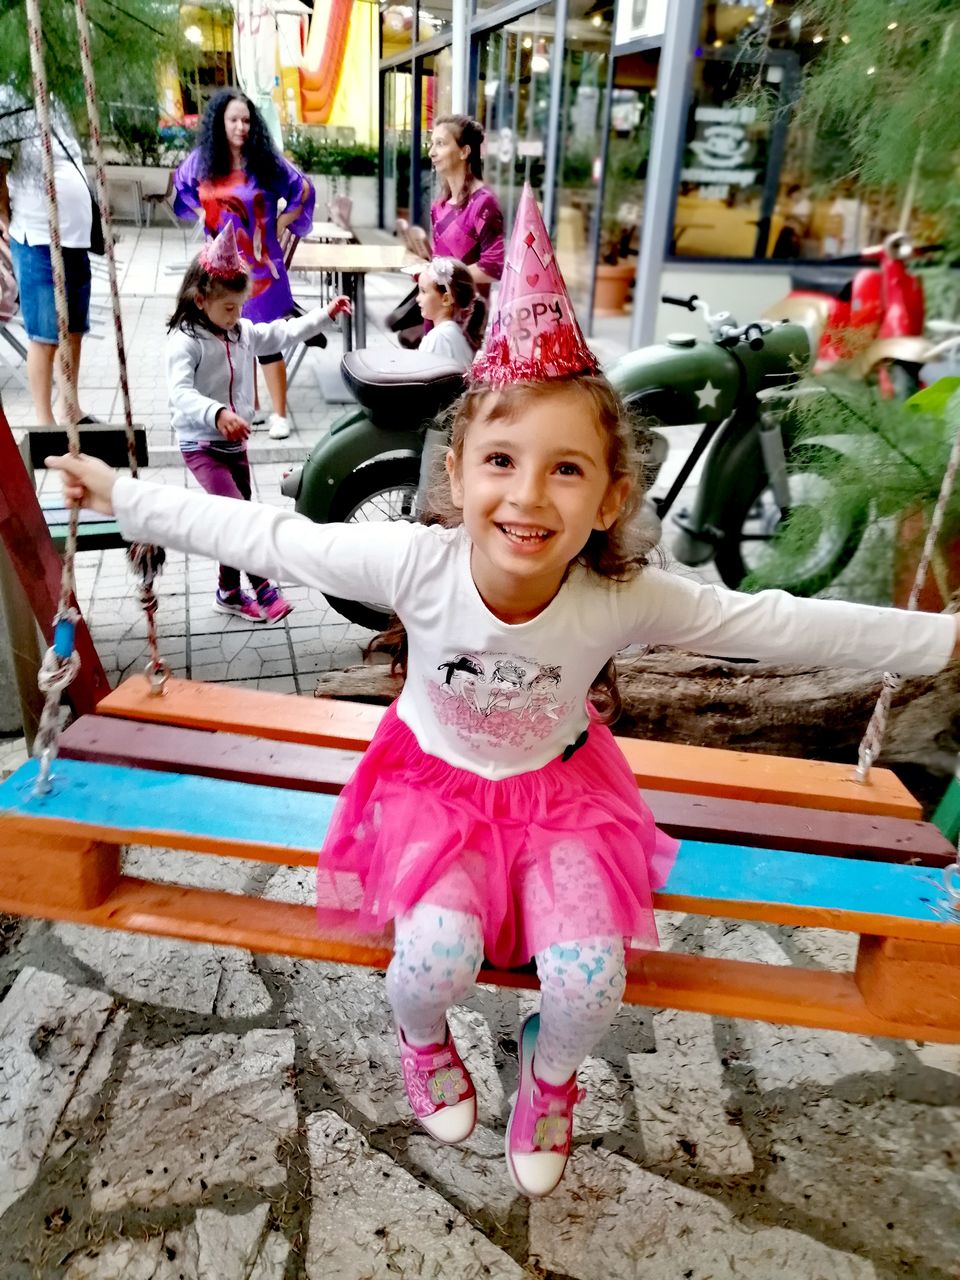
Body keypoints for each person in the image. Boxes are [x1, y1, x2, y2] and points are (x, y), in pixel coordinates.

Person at [48, 186, 960, 1199]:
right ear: (457, 472)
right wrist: (125, 494)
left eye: (566, 469)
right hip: (432, 790)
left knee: (587, 980)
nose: (528, 495)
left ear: (612, 494)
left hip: (563, 800)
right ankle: (422, 1038)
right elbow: (274, 537)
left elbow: (775, 623)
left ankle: (551, 1071)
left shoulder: (619, 594)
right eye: (501, 460)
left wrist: (938, 637)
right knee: (429, 960)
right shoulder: (416, 564)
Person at [166, 222, 350, 623]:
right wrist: (216, 414)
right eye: (228, 308)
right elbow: (179, 394)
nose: (235, 316)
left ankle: (228, 591)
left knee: (236, 515)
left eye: (239, 308)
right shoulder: (186, 341)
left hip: (236, 443)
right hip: (202, 445)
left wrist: (323, 315)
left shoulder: (241, 332)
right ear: (200, 301)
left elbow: (282, 333)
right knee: (240, 518)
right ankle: (263, 587)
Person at [172, 89, 316, 441]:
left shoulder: (267, 162)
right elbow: (180, 188)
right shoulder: (203, 161)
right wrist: (204, 216)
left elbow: (303, 191)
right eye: (233, 119)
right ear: (219, 123)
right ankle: (243, 409)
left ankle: (279, 413)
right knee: (230, 337)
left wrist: (282, 223)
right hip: (219, 269)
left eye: (247, 120)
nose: (240, 127)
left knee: (267, 340)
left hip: (262, 270)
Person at [0, 87, 97, 425]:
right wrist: (6, 219)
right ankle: (45, 422)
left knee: (73, 330)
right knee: (45, 334)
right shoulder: (9, 99)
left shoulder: (59, 93)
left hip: (76, 237)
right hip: (37, 236)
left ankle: (70, 407)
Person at [428, 115, 504, 338]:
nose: (432, 152)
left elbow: (493, 267)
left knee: (454, 371)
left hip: (467, 317)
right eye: (431, 144)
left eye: (440, 144)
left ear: (464, 151)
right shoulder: (439, 206)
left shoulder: (484, 203)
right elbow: (438, 259)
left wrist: (439, 276)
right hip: (437, 310)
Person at [416, 257, 481, 370]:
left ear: (446, 299)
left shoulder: (438, 338)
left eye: (423, 291)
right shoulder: (454, 333)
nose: (417, 298)